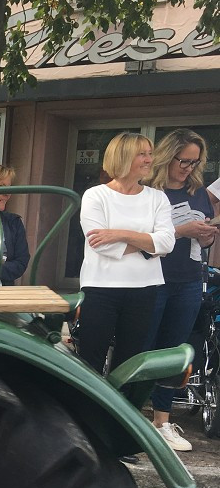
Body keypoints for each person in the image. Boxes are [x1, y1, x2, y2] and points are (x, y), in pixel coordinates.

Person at [76, 132, 176, 377]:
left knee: (131, 361)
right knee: (90, 357)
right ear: (123, 157)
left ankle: (123, 411)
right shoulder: (95, 195)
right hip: (100, 286)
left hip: (144, 288)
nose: (149, 159)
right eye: (142, 154)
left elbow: (167, 243)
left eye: (150, 153)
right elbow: (101, 244)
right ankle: (84, 413)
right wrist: (147, 245)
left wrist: (120, 234)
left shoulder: (157, 198)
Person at [143, 129, 218, 452]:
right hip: (150, 277)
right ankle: (131, 415)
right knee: (144, 348)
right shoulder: (147, 191)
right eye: (183, 160)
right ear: (167, 156)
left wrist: (205, 236)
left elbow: (206, 238)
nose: (188, 167)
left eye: (194, 162)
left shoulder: (197, 191)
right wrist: (180, 229)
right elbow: (140, 240)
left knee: (174, 351)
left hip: (188, 277)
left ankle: (162, 421)